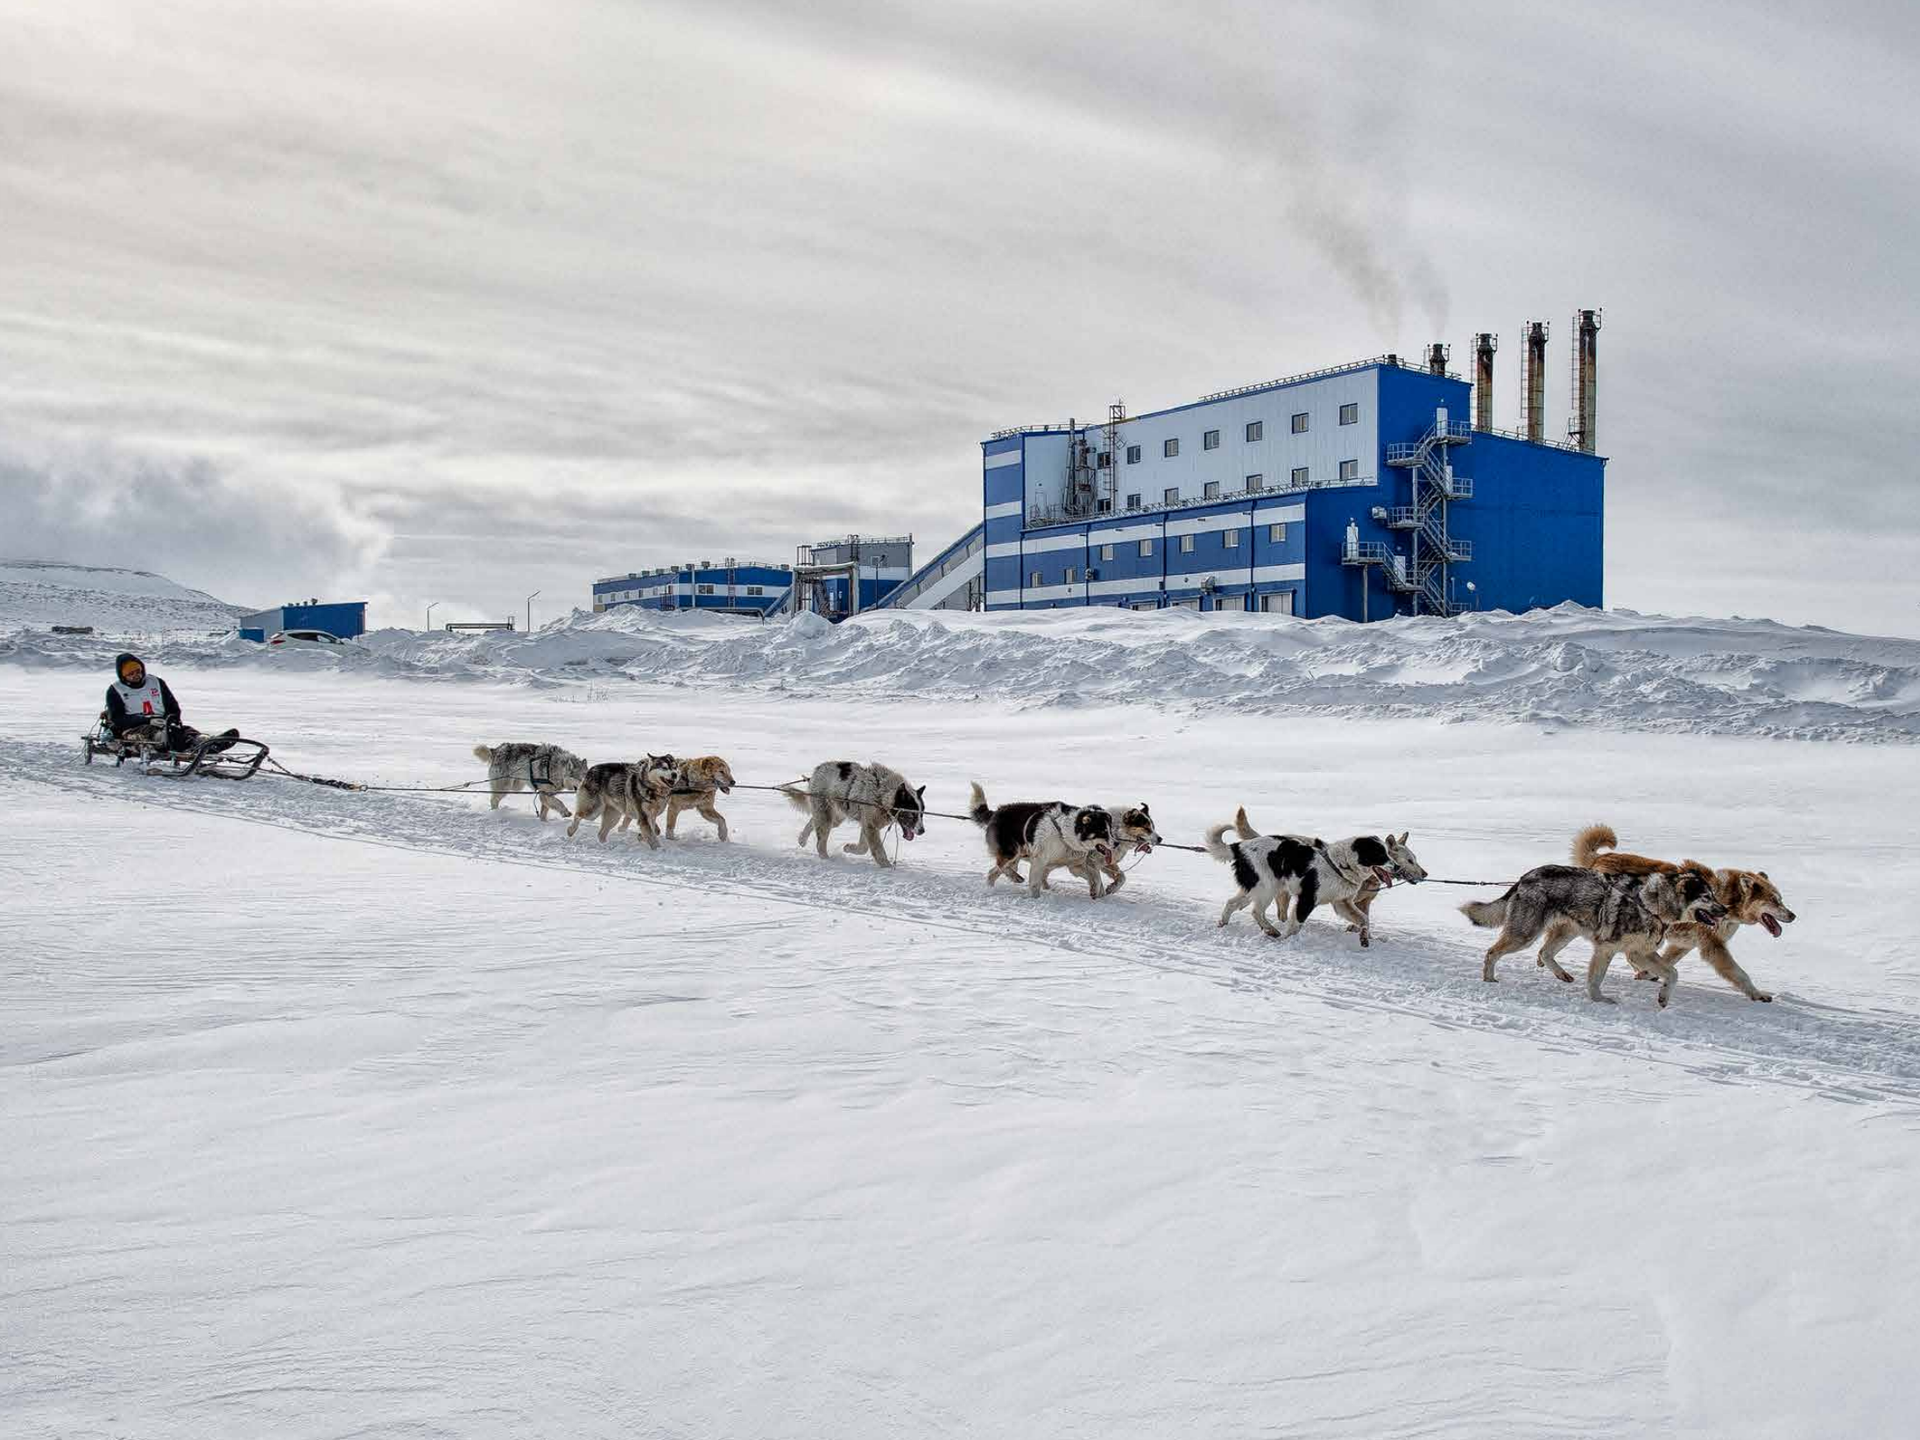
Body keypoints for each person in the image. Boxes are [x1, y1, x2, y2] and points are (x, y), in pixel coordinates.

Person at [105, 653, 237, 754]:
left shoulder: (156, 682)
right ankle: (173, 741)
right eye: (130, 674)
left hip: (164, 723)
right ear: (123, 676)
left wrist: (172, 719)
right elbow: (118, 718)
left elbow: (172, 706)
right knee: (153, 734)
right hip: (134, 728)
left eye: (138, 671)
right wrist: (147, 720)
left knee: (184, 730)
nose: (136, 676)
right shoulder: (115, 690)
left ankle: (205, 743)